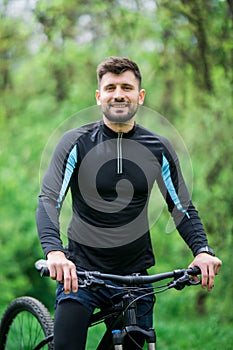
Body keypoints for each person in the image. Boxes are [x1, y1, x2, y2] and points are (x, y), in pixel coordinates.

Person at [36, 56, 222, 349]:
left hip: (135, 281)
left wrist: (202, 250)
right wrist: (55, 253)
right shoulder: (75, 142)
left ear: (140, 96)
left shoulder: (158, 147)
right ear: (99, 97)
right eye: (110, 88)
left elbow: (180, 207)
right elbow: (49, 200)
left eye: (126, 87)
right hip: (81, 274)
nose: (118, 94)